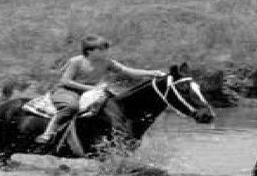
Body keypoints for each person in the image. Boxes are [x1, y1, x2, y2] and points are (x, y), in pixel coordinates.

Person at [35, 35, 166, 144]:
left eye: (106, 49)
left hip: (90, 92)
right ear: (90, 51)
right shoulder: (76, 61)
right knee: (71, 107)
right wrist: (91, 88)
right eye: (102, 49)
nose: (106, 52)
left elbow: (128, 71)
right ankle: (48, 133)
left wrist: (152, 73)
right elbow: (65, 81)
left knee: (111, 106)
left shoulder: (107, 62)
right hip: (66, 91)